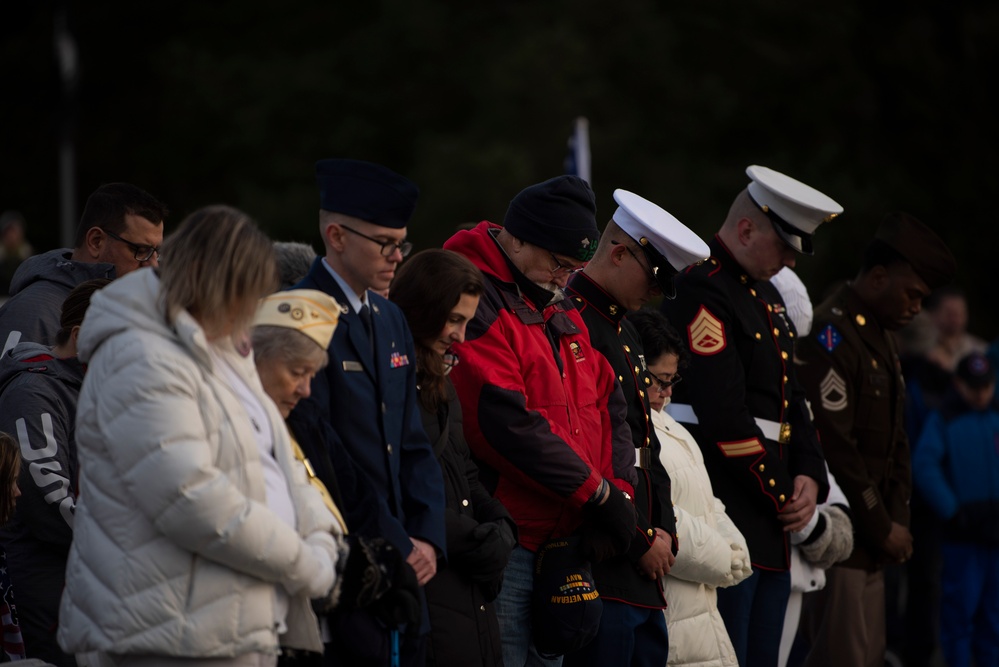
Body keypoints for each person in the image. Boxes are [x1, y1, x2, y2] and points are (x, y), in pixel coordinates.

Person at [57, 205, 343, 665]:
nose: (250, 311)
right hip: (161, 635)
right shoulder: (139, 355)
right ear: (212, 284)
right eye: (245, 294)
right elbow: (189, 498)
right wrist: (306, 563)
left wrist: (323, 536)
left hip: (222, 628)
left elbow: (279, 460)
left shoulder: (224, 347)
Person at [443, 175, 638, 666]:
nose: (564, 278)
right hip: (510, 542)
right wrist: (596, 494)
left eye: (573, 268)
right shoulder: (475, 295)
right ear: (519, 236)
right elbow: (503, 422)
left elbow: (609, 403)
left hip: (562, 542)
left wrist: (619, 492)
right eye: (559, 263)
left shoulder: (554, 299)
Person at [661, 165, 840, 667]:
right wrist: (784, 493)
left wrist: (811, 472)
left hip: (770, 515)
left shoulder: (767, 298)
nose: (789, 263)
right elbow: (724, 415)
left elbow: (793, 398)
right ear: (745, 229)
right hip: (732, 508)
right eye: (784, 249)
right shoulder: (703, 287)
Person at [292, 158, 445, 665]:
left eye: (401, 241)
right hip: (348, 554)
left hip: (404, 558)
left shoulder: (389, 316)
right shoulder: (300, 315)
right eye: (385, 242)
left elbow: (412, 441)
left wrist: (427, 537)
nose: (398, 255)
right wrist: (396, 540)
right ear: (336, 235)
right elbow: (321, 450)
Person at [795, 212, 956, 667]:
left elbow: (897, 442)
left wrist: (896, 521)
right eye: (912, 294)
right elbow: (836, 446)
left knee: (867, 657)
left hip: (874, 542)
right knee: (840, 656)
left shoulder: (882, 338)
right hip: (846, 537)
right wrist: (884, 526)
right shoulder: (830, 334)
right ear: (880, 277)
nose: (916, 308)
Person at [561, 189, 709, 667]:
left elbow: (646, 443)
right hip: (605, 554)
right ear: (619, 252)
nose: (656, 294)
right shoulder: (570, 320)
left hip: (644, 560)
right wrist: (641, 539)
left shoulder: (625, 328)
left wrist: (664, 529)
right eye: (654, 278)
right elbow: (583, 448)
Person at [390, 248, 517, 667]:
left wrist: (501, 525)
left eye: (467, 321)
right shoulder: (389, 382)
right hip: (429, 581)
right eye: (454, 320)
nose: (461, 336)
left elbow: (465, 472)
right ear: (423, 307)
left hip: (466, 588)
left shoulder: (441, 382)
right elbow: (393, 485)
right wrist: (476, 539)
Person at [628, 308, 751, 667]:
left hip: (699, 605)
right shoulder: (629, 424)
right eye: (658, 380)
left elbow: (707, 503)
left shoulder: (673, 428)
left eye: (672, 381)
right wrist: (724, 558)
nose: (666, 392)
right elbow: (658, 508)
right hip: (669, 606)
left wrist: (735, 550)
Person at [0, 279, 108, 665]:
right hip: (45, 590)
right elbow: (48, 500)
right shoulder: (35, 391)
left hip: (76, 582)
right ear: (80, 336)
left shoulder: (91, 386)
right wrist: (124, 544)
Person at [0, 183, 166, 354]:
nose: (153, 265)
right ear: (96, 241)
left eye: (156, 252)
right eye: (141, 250)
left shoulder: (136, 310)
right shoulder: (33, 315)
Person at [911, 351, 999, 667]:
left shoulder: (995, 416)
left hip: (995, 536)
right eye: (974, 386)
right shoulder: (944, 418)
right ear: (959, 384)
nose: (981, 393)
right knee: (959, 617)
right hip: (963, 537)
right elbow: (924, 466)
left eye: (986, 386)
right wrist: (952, 510)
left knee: (994, 619)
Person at [923, 286, 986, 372]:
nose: (955, 319)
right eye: (950, 313)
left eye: (960, 313)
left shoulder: (980, 350)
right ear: (932, 313)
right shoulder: (920, 347)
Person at [0, 212, 33, 298]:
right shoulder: (1, 256)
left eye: (14, 232)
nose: (11, 236)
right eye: (8, 232)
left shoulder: (31, 257)